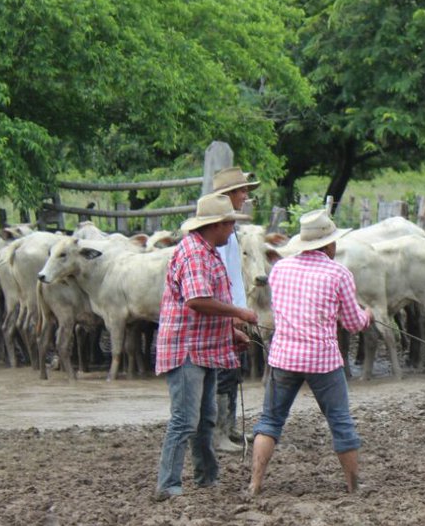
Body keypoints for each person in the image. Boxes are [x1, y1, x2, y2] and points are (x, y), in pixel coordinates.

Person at [247, 208, 373, 497]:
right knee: (340, 421)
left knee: (270, 421)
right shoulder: (338, 273)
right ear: (329, 244)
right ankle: (354, 485)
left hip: (283, 357)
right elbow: (353, 324)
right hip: (322, 360)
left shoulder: (280, 269)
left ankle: (255, 483)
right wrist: (367, 315)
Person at [154, 193, 259, 501]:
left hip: (202, 347)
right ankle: (168, 484)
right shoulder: (196, 254)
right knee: (185, 419)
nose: (232, 230)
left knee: (204, 417)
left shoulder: (206, 251)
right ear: (217, 225)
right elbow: (197, 300)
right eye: (229, 224)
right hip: (187, 348)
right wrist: (239, 313)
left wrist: (229, 332)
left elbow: (203, 302)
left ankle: (207, 476)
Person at [209, 166, 260, 453]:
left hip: (232, 309)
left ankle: (228, 427)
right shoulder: (219, 232)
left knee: (232, 368)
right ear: (228, 195)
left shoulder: (229, 230)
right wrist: (231, 314)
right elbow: (219, 278)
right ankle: (218, 433)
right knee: (223, 371)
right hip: (225, 311)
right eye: (242, 191)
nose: (245, 196)